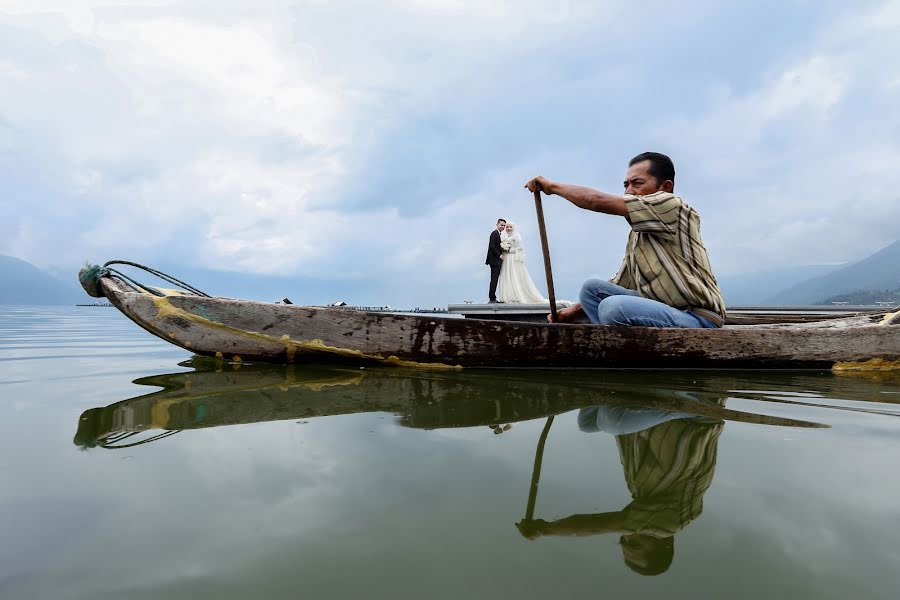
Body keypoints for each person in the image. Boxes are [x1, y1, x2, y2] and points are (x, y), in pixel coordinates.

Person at [517, 402, 724, 576]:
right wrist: (545, 529)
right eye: (635, 544)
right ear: (664, 543)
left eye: (623, 541)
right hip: (695, 413)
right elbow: (596, 525)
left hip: (663, 414)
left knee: (587, 424)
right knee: (611, 420)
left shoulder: (643, 494)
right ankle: (687, 405)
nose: (627, 535)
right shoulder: (670, 523)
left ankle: (603, 376)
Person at [524, 152, 725, 328]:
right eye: (626, 185)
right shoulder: (638, 233)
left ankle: (616, 347)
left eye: (637, 184)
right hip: (663, 308)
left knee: (613, 308)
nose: (629, 191)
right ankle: (614, 345)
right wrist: (573, 312)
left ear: (666, 187)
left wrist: (552, 187)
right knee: (591, 289)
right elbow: (622, 282)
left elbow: (596, 201)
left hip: (697, 317)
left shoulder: (674, 206)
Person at [497, 222, 548, 304]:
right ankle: (508, 296)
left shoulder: (516, 236)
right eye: (507, 227)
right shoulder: (506, 237)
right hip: (507, 259)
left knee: (514, 275)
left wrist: (509, 250)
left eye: (510, 227)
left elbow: (520, 248)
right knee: (507, 276)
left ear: (513, 228)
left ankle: (516, 295)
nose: (508, 228)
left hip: (513, 258)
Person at [485, 218, 506, 303]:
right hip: (494, 261)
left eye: (504, 225)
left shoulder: (499, 234)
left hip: (496, 260)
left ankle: (492, 297)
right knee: (494, 279)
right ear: (497, 224)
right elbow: (492, 246)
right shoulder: (494, 233)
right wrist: (500, 255)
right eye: (501, 225)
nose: (503, 227)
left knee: (495, 279)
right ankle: (492, 298)